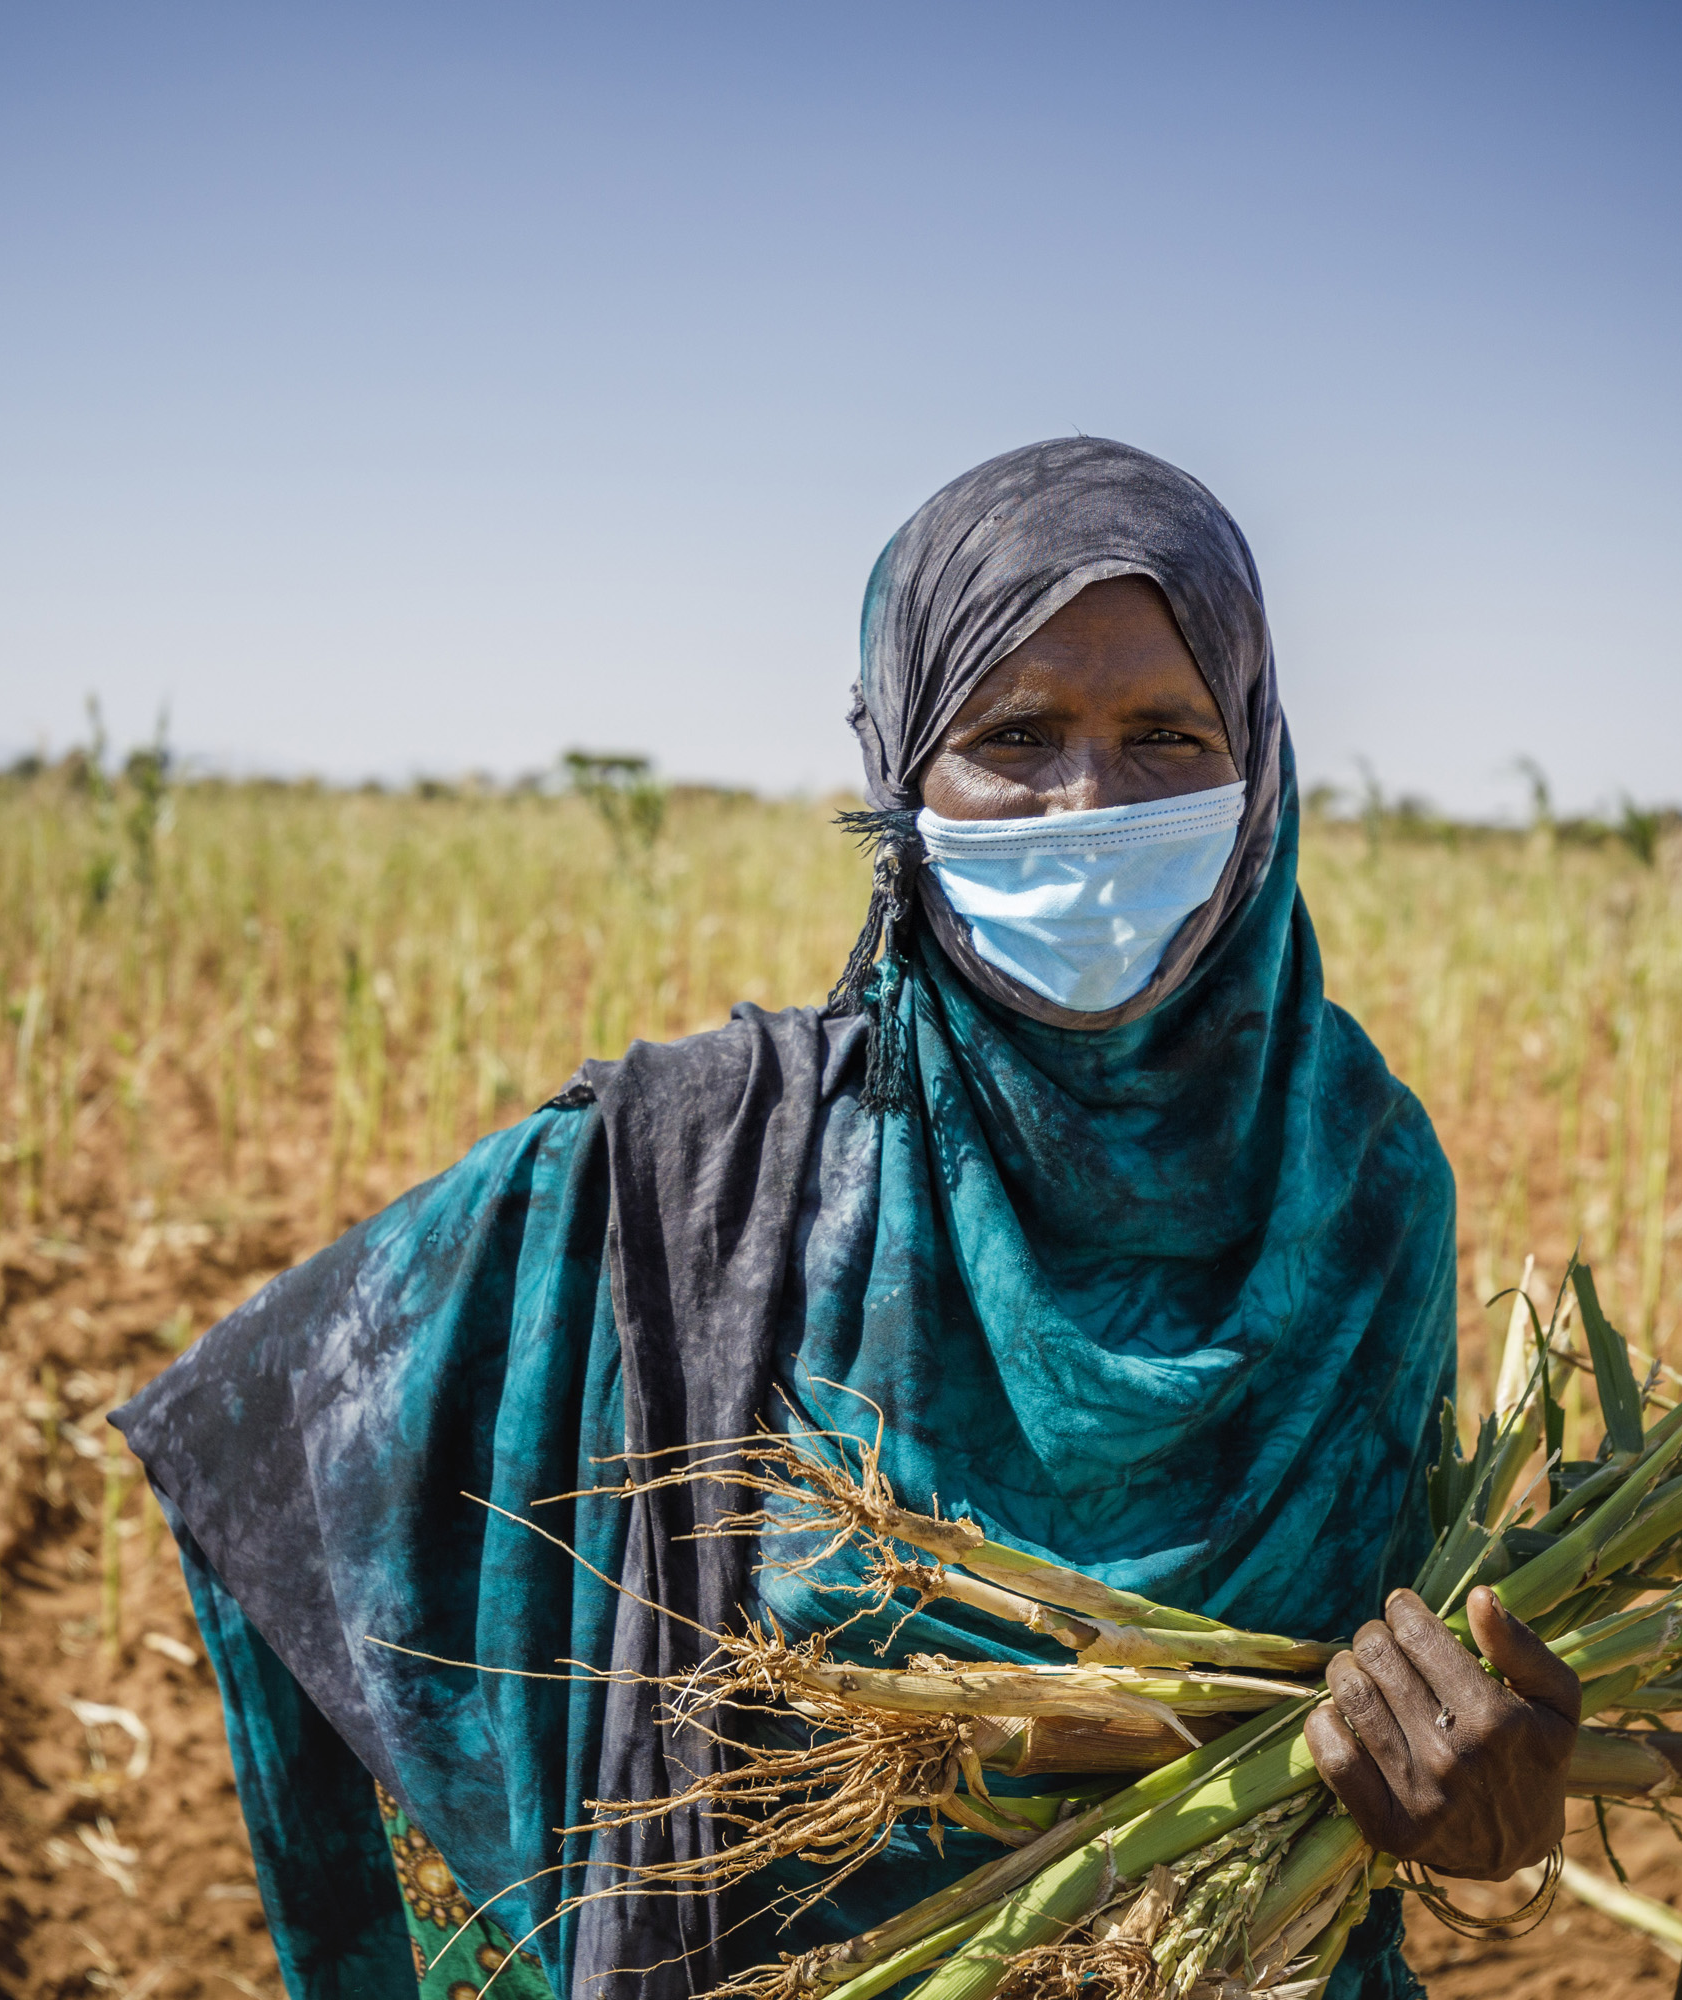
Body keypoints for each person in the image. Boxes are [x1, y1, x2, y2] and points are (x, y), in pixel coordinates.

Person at [117, 437, 1580, 2000]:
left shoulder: (1360, 1187)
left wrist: (1476, 1803)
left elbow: (1393, 1684)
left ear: (1259, 765)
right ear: (900, 783)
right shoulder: (714, 1175)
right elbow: (268, 1428)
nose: (1089, 805)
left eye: (1167, 733)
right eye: (1016, 735)